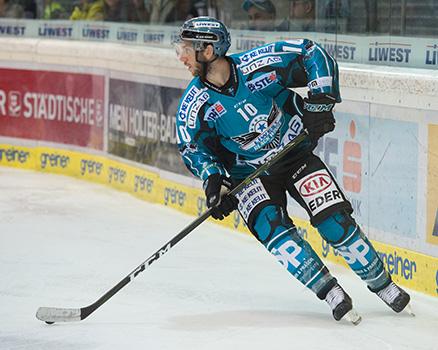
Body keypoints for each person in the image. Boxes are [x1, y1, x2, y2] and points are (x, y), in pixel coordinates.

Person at [174, 16, 412, 323]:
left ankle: (383, 285)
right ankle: (330, 292)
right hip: (248, 176)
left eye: (186, 48)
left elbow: (311, 53)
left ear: (208, 51)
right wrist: (214, 182)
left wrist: (321, 100)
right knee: (274, 232)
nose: (180, 56)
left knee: (334, 221)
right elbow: (193, 147)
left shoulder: (257, 65)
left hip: (296, 155)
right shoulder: (194, 105)